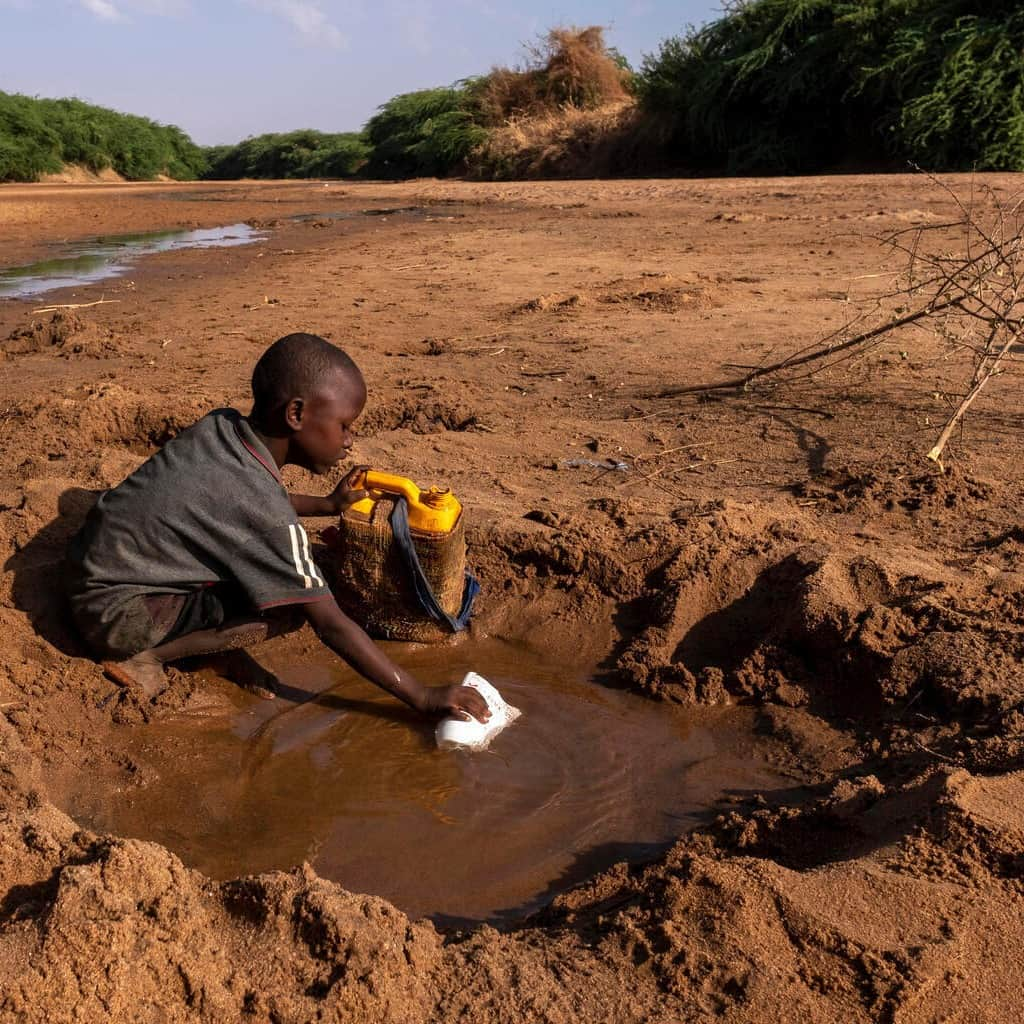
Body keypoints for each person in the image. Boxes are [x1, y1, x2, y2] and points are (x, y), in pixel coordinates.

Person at [65, 332, 489, 725]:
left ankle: (208, 648)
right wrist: (422, 694)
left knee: (269, 570)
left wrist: (325, 505)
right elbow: (330, 623)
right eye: (344, 425)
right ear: (296, 414)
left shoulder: (222, 427)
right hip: (116, 618)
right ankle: (150, 655)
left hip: (92, 573)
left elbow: (235, 504)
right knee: (292, 603)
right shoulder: (263, 509)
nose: (349, 440)